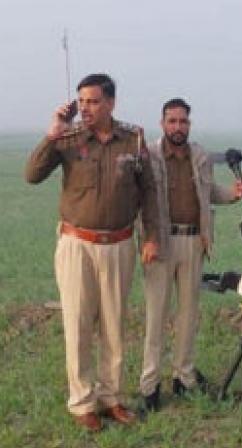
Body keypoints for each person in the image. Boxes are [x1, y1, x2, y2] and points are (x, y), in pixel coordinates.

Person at [24, 73, 160, 432]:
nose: (85, 108)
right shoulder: (67, 139)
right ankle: (82, 401)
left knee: (115, 324)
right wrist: (52, 134)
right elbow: (32, 175)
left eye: (93, 101)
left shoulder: (134, 139)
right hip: (76, 245)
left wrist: (152, 237)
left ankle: (111, 397)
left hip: (119, 245)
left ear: (111, 103)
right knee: (78, 324)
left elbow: (149, 190)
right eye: (81, 101)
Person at [139, 98, 242, 411]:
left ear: (189, 124)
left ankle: (183, 377)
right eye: (172, 121)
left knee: (188, 315)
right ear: (162, 124)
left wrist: (234, 194)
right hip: (160, 242)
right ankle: (150, 386)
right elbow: (140, 199)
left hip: (193, 241)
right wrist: (146, 238)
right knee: (156, 316)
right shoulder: (149, 155)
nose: (178, 127)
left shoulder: (199, 156)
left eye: (183, 121)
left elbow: (209, 191)